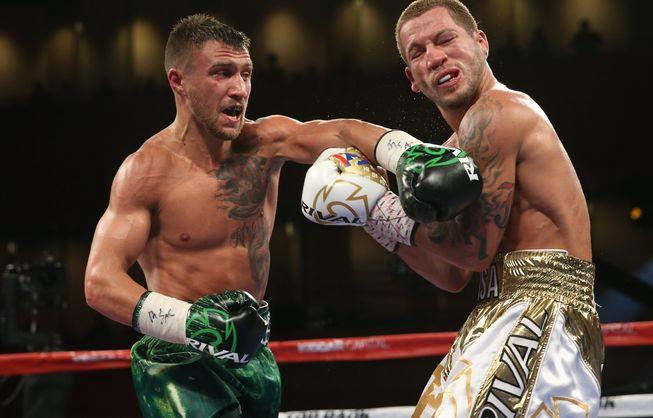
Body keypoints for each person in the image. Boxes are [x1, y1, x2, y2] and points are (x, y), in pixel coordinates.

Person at [83, 13, 481, 418]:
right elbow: (100, 282)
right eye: (222, 73)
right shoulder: (146, 172)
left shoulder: (263, 143)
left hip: (252, 351)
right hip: (179, 355)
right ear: (178, 81)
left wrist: (408, 154)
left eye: (246, 74)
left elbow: (342, 131)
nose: (239, 89)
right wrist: (195, 324)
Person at [301, 0, 604, 416]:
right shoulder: (455, 150)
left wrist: (377, 204)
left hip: (541, 313)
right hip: (502, 309)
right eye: (418, 52)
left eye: (445, 39)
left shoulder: (498, 112)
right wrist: (370, 217)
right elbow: (452, 273)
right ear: (412, 78)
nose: (434, 57)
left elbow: (470, 251)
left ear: (481, 42)